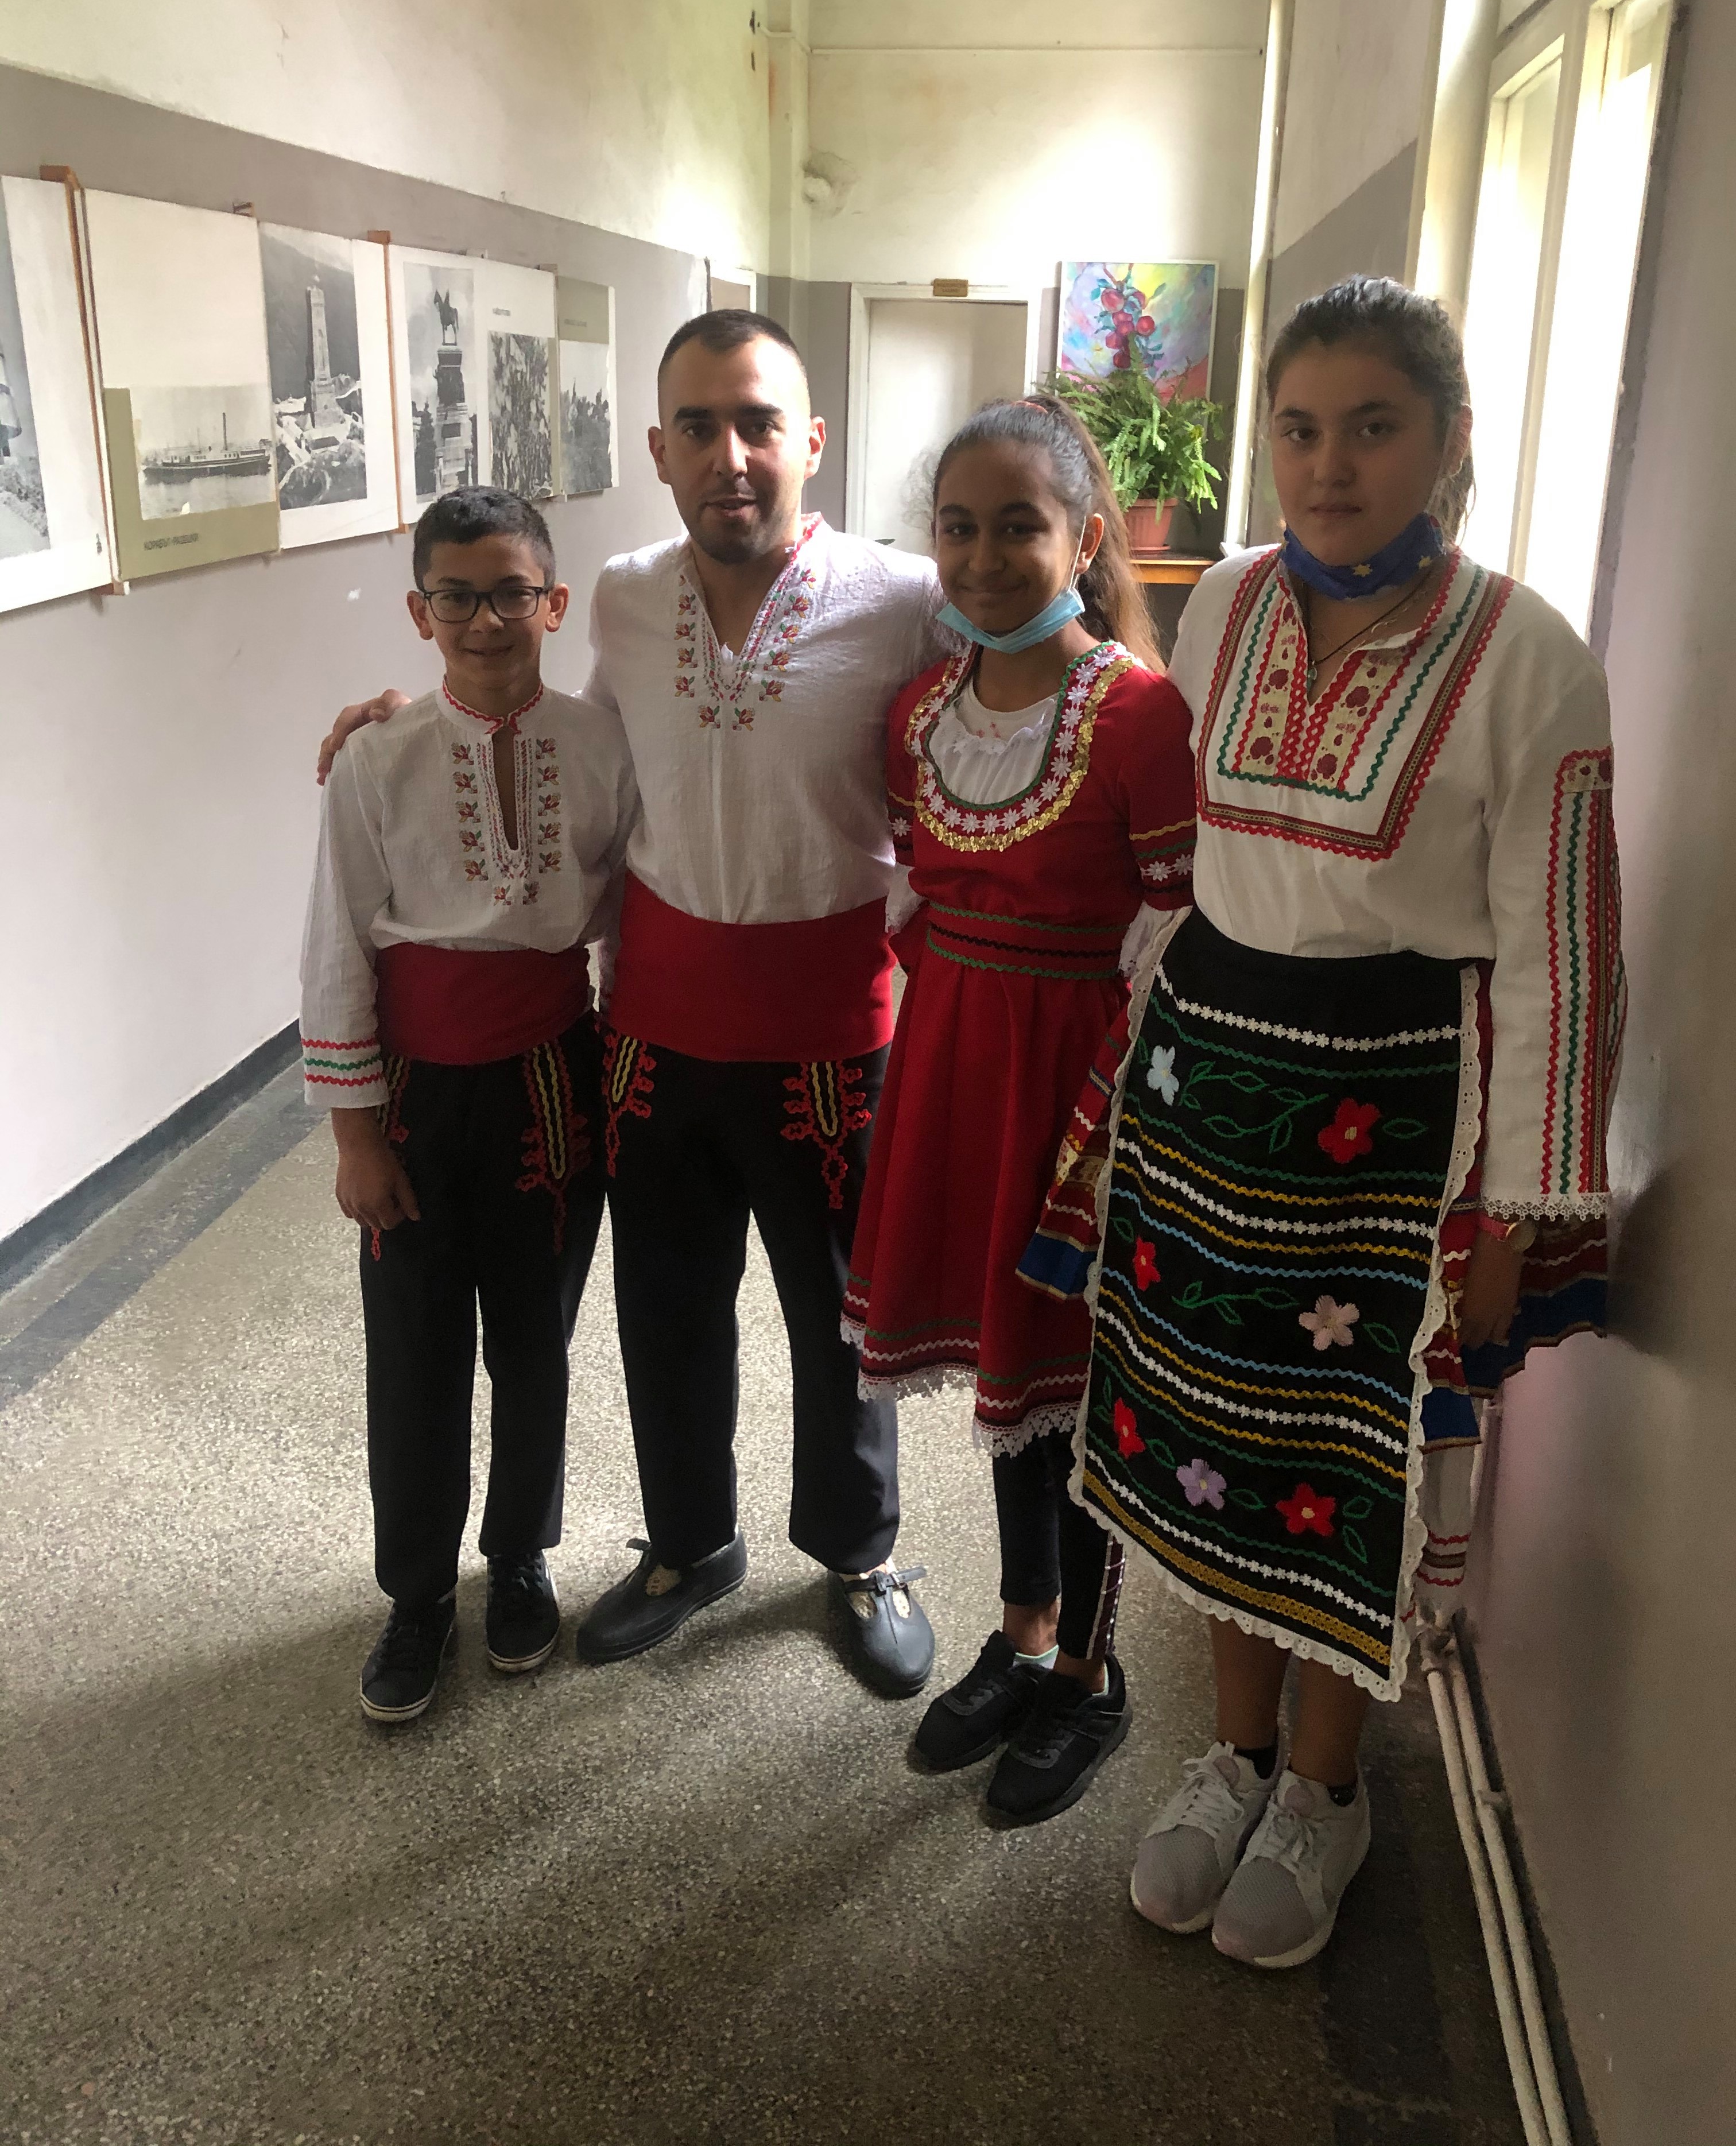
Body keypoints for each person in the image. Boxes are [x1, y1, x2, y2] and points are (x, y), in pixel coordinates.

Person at [1037, 277, 1623, 1962]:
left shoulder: (1529, 656)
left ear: (1448, 440)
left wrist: (1519, 1212)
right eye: (1300, 429)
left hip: (1394, 1124)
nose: (1330, 464)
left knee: (1345, 1457)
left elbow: (1567, 951)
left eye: (1374, 426)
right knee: (1206, 1437)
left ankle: (1325, 1787)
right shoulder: (1223, 604)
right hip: (1210, 1095)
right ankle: (1229, 1758)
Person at [317, 311, 947, 1698]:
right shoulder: (620, 594)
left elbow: (1020, 688)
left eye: (760, 422)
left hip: (832, 1034)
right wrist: (413, 727)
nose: (733, 455)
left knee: (843, 1316)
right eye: (701, 427)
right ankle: (689, 1542)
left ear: (812, 439)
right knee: (666, 1307)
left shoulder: (902, 597)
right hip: (654, 1037)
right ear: (659, 449)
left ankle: (860, 1551)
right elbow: (582, 742)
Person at [843, 398, 1195, 1822]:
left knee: (1078, 1383)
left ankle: (1094, 1676)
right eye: (960, 529)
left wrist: (1113, 1123)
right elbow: (914, 899)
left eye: (1019, 528)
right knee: (1012, 1383)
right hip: (959, 1069)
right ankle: (1027, 1631)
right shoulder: (918, 715)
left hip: (1084, 1094)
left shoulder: (1140, 716)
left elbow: (1176, 934)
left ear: (1085, 537)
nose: (984, 559)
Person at [303, 487, 636, 1723]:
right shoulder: (375, 761)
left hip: (554, 1085)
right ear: (420, 610)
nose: (486, 620)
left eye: (511, 593)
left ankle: (522, 1555)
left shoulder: (601, 746)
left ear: (554, 602)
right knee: (416, 1352)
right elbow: (335, 950)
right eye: (457, 596)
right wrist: (355, 1136)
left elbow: (628, 917)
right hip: (415, 1098)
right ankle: (416, 1593)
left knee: (536, 1342)